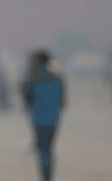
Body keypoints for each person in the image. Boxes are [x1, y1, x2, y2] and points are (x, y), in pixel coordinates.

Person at [22, 50, 66, 181]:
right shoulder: (58, 78)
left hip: (39, 119)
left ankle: (45, 177)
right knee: (49, 149)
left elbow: (27, 99)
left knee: (43, 151)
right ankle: (48, 176)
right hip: (54, 119)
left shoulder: (32, 79)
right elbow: (62, 101)